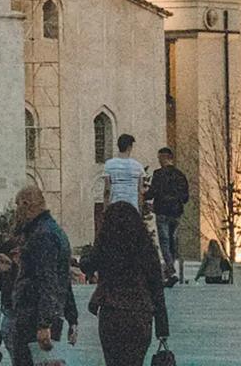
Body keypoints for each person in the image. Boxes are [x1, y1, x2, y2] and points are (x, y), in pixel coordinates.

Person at [87, 201, 169, 366]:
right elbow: (157, 290)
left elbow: (88, 265)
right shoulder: (147, 249)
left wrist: (86, 254)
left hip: (112, 312)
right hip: (140, 314)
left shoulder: (106, 245)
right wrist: (162, 328)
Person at [8, 185, 79, 366]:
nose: (16, 212)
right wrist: (72, 317)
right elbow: (62, 278)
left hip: (33, 316)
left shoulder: (42, 236)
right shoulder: (54, 231)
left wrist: (43, 324)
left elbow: (47, 281)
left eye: (17, 206)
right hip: (48, 314)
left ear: (26, 204)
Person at [143, 146, 189, 282]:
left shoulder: (159, 174)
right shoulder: (180, 175)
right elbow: (185, 197)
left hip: (162, 211)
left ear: (164, 158)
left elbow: (153, 192)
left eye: (159, 158)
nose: (158, 161)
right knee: (172, 241)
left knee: (164, 241)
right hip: (176, 212)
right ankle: (171, 269)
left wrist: (143, 195)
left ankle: (170, 268)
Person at [103, 134, 145, 211]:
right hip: (132, 207)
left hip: (115, 206)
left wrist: (105, 209)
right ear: (129, 147)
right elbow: (140, 191)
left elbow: (107, 189)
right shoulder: (138, 166)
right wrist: (140, 211)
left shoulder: (109, 164)